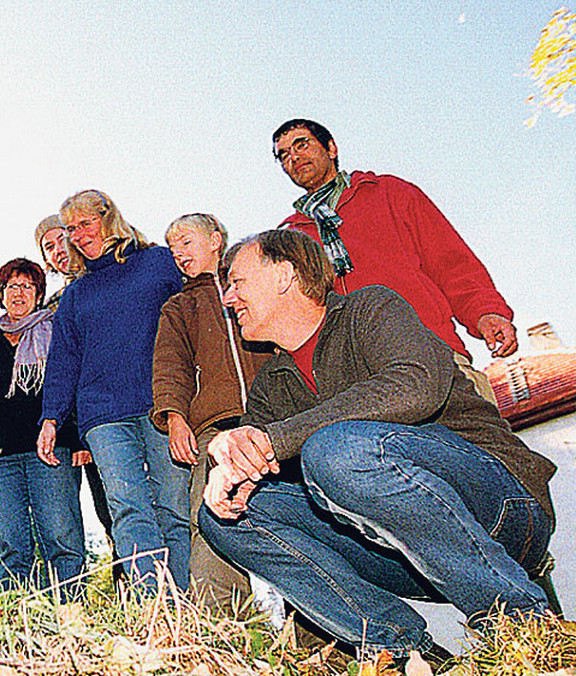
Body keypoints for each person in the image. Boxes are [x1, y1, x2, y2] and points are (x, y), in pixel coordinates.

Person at [199, 229, 556, 660]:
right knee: (226, 518)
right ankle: (403, 655)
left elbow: (416, 384)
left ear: (284, 275)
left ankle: (521, 627)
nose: (228, 297)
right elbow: (255, 461)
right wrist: (230, 472)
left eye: (237, 281)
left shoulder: (370, 308)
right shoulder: (269, 388)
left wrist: (277, 439)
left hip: (500, 509)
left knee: (334, 451)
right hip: (398, 553)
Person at [272, 118, 516, 401]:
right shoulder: (291, 240)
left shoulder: (388, 192)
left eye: (301, 144)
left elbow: (449, 261)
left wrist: (485, 311)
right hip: (359, 384)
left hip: (433, 354)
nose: (293, 157)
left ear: (331, 148)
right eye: (284, 155)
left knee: (480, 445)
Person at [36, 189, 189, 594]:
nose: (79, 235)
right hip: (102, 414)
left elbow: (189, 321)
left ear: (109, 219)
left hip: (162, 403)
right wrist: (51, 418)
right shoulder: (75, 293)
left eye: (86, 224)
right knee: (128, 509)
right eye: (71, 229)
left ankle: (185, 604)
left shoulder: (157, 262)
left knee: (173, 507)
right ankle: (152, 605)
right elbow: (63, 359)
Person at [0, 258, 85, 601]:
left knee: (60, 535)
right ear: (1, 294)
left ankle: (69, 612)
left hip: (50, 452)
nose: (18, 292)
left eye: (27, 286)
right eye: (11, 286)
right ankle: (17, 616)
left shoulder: (56, 331)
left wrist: (81, 439)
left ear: (39, 294)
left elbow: (74, 386)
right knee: (9, 541)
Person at [151, 214, 270, 613]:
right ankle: (220, 628)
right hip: (213, 431)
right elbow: (171, 364)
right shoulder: (180, 306)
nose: (178, 253)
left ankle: (318, 638)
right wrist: (174, 417)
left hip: (275, 424)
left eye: (186, 242)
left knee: (298, 521)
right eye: (172, 248)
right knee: (210, 521)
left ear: (216, 239)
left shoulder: (254, 284)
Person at [34, 215, 118, 577]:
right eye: (48, 247)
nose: (58, 251)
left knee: (120, 508)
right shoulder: (47, 308)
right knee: (79, 517)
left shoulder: (109, 278)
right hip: (68, 426)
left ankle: (142, 592)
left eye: (61, 239)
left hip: (112, 411)